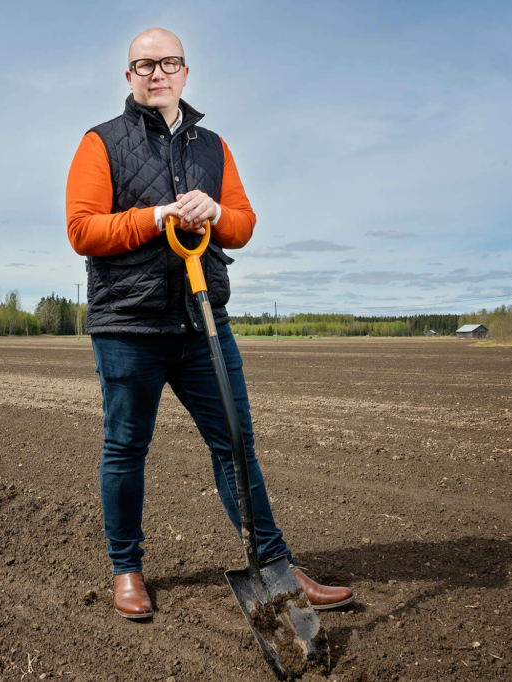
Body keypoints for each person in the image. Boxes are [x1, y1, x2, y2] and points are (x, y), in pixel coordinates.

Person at [65, 27, 353, 619]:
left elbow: (243, 226)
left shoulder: (213, 147)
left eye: (168, 62)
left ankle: (277, 569)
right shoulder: (101, 143)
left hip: (203, 324)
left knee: (235, 446)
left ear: (185, 73)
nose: (156, 73)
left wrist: (215, 211)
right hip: (129, 327)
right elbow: (83, 230)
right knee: (125, 448)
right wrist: (155, 216)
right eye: (144, 64)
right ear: (128, 77)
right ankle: (127, 570)